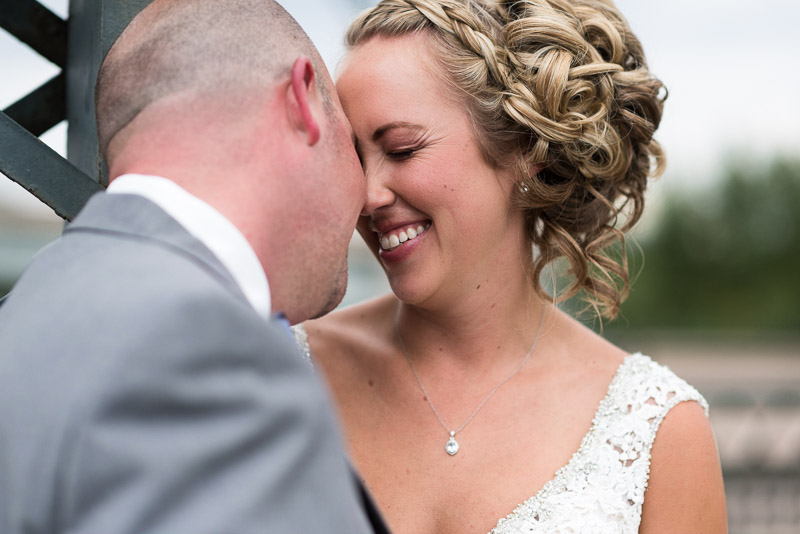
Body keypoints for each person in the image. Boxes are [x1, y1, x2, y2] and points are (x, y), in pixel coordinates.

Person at [297, 0, 727, 532]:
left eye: (403, 149)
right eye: (357, 159)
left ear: (528, 150)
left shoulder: (656, 432)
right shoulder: (285, 371)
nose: (367, 195)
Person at [0, 1, 389, 533]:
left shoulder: (36, 302)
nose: (368, 196)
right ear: (303, 102)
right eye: (356, 151)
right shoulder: (206, 354)